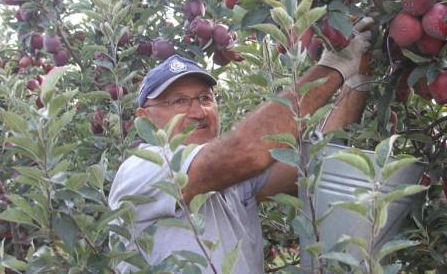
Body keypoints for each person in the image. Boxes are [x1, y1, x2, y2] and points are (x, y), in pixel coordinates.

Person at [108, 18, 375, 273]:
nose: (199, 112)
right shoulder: (142, 169)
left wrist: (355, 78)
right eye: (178, 102)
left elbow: (314, 160)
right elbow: (245, 151)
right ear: (145, 118)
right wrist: (332, 66)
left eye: (205, 98)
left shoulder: (232, 181)